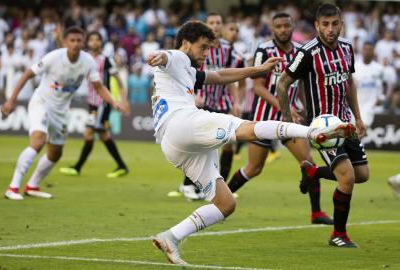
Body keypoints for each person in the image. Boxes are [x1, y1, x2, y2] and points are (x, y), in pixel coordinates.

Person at [147, 21, 355, 264]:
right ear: (185, 43)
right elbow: (166, 57)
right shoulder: (178, 58)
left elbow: (221, 75)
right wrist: (157, 56)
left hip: (173, 145)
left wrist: (256, 70)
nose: (206, 54)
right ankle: (311, 132)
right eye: (203, 48)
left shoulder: (189, 72)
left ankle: (170, 237)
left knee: (226, 203)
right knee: (249, 128)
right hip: (182, 122)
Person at [227, 12, 334, 225]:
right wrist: (286, 107)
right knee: (254, 168)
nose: (283, 30)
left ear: (292, 27)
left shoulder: (301, 52)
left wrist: (304, 108)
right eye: (279, 27)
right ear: (272, 28)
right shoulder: (264, 50)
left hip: (290, 120)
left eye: (286, 26)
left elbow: (302, 84)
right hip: (263, 119)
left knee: (308, 163)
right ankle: (221, 201)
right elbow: (257, 87)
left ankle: (316, 213)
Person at [277, 4, 369, 248]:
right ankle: (338, 234)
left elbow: (349, 82)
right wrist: (287, 119)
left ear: (341, 24)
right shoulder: (308, 52)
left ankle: (313, 171)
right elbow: (283, 83)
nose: (330, 29)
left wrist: (358, 117)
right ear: (316, 26)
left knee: (362, 175)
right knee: (346, 178)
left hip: (345, 123)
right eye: (325, 24)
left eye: (334, 24)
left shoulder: (347, 48)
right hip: (323, 129)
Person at [1, 26, 125, 200]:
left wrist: (113, 102)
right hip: (41, 103)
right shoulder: (53, 57)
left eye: (78, 41)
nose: (75, 44)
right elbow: (27, 74)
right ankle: (13, 187)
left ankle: (32, 186)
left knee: (55, 153)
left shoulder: (87, 61)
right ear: (66, 42)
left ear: (83, 42)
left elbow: (98, 86)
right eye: (72, 41)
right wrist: (11, 100)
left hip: (60, 111)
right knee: (38, 141)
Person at [179, 13, 244, 200]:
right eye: (212, 23)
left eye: (218, 23)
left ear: (222, 27)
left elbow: (231, 78)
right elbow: (188, 74)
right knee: (201, 144)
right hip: (202, 102)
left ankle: (221, 188)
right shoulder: (197, 48)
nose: (215, 26)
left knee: (229, 145)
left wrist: (236, 102)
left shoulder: (228, 49)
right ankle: (187, 185)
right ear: (205, 25)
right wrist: (194, 96)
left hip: (223, 102)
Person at [59, 31, 130, 178]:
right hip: (92, 103)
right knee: (103, 135)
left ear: (101, 42)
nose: (94, 42)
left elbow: (119, 80)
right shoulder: (83, 58)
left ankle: (78, 167)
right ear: (87, 42)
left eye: (97, 39)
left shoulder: (106, 60)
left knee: (90, 133)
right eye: (91, 39)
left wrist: (124, 100)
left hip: (103, 102)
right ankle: (121, 166)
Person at [353, 42, 385, 128]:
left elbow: (382, 85)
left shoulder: (379, 68)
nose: (367, 52)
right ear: (362, 51)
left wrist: (381, 97)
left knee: (363, 129)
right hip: (356, 105)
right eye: (365, 49)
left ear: (373, 52)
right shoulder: (355, 67)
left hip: (370, 105)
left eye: (370, 50)